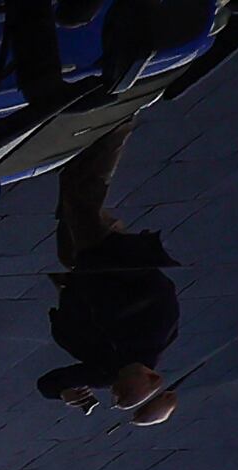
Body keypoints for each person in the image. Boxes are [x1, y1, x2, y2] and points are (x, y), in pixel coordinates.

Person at [37, 130, 179, 421]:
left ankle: (85, 137)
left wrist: (63, 392)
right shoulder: (156, 332)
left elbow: (49, 382)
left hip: (83, 269)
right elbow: (155, 284)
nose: (115, 391)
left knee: (73, 201)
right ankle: (117, 125)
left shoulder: (104, 372)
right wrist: (106, 260)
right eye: (125, 393)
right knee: (81, 198)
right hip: (104, 257)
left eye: (118, 396)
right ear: (151, 379)